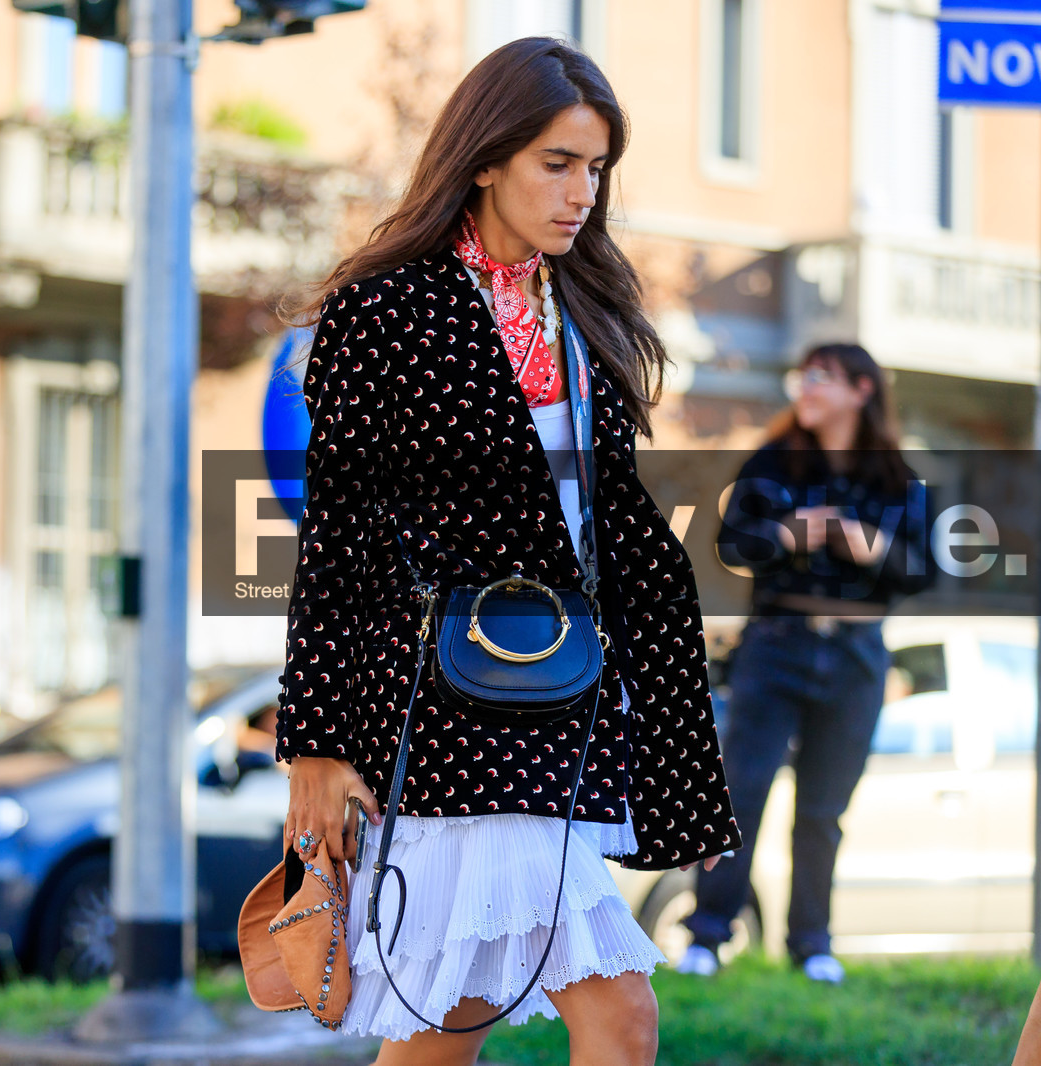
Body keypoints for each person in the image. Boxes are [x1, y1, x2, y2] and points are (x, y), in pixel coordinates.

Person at [273, 38, 741, 1066]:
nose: (582, 191)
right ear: (485, 158)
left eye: (596, 169)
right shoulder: (384, 312)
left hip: (563, 713)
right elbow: (339, 537)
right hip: (447, 713)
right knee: (619, 1016)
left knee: (446, 1028)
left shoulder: (584, 316)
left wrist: (680, 774)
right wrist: (312, 742)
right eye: (557, 162)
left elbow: (624, 554)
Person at [678, 343, 933, 984]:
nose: (807, 388)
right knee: (743, 790)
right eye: (803, 376)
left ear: (862, 391)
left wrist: (870, 544)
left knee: (823, 810)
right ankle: (707, 937)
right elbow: (731, 542)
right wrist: (796, 532)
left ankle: (811, 945)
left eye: (823, 377)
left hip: (856, 655)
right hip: (777, 645)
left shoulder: (899, 478)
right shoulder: (773, 462)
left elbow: (922, 570)